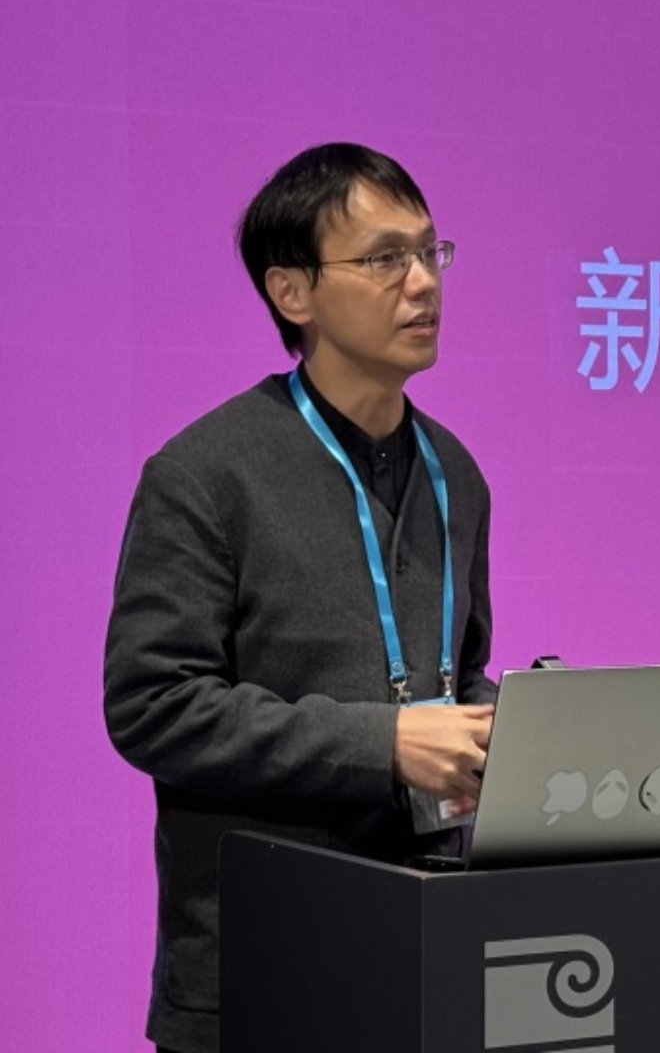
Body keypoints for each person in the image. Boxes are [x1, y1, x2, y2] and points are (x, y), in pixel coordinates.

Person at [104, 143, 497, 1053]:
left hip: (428, 940)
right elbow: (153, 706)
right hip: (261, 963)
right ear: (292, 292)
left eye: (429, 252)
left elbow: (457, 668)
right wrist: (382, 743)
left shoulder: (455, 472)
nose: (422, 284)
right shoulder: (206, 474)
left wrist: (497, 730)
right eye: (384, 258)